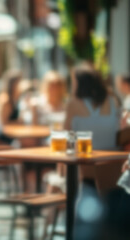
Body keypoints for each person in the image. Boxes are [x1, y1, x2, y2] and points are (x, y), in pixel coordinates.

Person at [63, 64, 120, 240]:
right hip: (114, 173)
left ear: (78, 83)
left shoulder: (73, 104)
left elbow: (67, 139)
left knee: (56, 178)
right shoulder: (113, 101)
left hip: (86, 174)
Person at [0, 69, 23, 143]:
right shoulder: (6, 100)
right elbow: (4, 124)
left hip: (15, 133)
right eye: (19, 82)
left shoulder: (15, 97)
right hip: (6, 138)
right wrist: (20, 122)